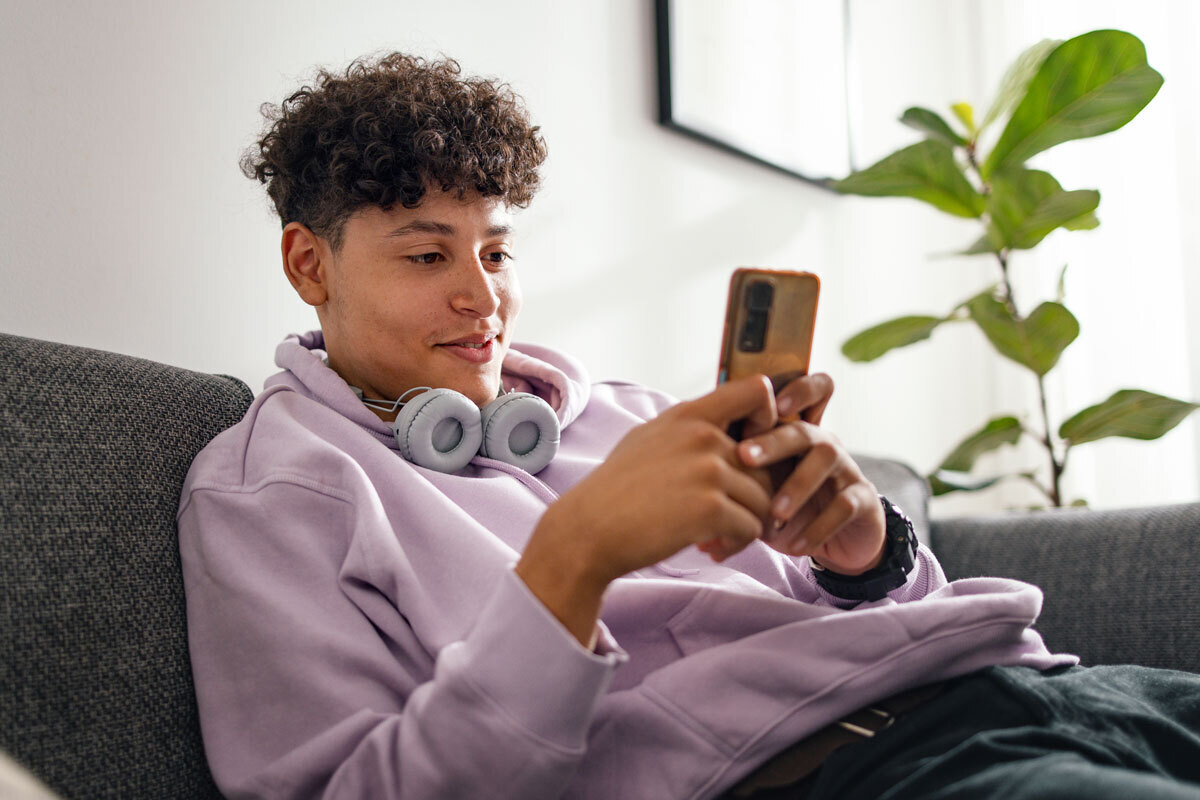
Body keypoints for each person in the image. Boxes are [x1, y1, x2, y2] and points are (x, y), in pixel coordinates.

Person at [176, 52, 1200, 800]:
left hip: (1039, 690)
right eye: (426, 255)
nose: (480, 298)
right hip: (863, 774)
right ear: (309, 263)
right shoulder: (271, 490)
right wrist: (570, 564)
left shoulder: (629, 413)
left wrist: (862, 553)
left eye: (495, 251)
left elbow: (892, 605)